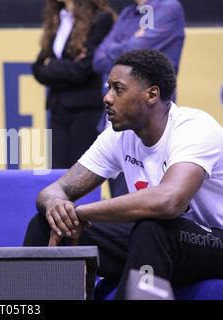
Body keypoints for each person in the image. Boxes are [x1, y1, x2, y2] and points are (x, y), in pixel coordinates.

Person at [24, 49, 223, 299]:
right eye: (108, 88)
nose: (107, 98)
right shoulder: (118, 135)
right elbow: (55, 190)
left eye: (118, 89)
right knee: (46, 224)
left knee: (153, 226)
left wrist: (80, 212)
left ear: (151, 94)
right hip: (159, 244)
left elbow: (169, 201)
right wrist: (56, 206)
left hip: (214, 242)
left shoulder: (195, 128)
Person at [92, 0, 185, 197]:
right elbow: (98, 59)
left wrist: (117, 47)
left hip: (149, 122)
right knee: (118, 208)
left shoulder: (168, 7)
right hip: (114, 126)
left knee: (145, 210)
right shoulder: (127, 13)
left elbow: (135, 53)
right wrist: (130, 43)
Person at [32, 0, 115, 169]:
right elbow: (38, 68)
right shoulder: (57, 17)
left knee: (81, 174)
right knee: (58, 173)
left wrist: (52, 64)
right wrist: (63, 66)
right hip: (58, 108)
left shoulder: (101, 18)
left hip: (85, 109)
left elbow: (85, 69)